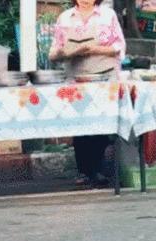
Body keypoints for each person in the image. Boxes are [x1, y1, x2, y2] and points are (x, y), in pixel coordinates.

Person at [49, 0, 126, 187]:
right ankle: (84, 172)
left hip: (104, 77)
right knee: (81, 124)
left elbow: (119, 47)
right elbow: (53, 52)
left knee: (101, 123)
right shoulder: (65, 18)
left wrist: (94, 49)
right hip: (76, 79)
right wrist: (66, 52)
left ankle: (98, 170)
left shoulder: (108, 16)